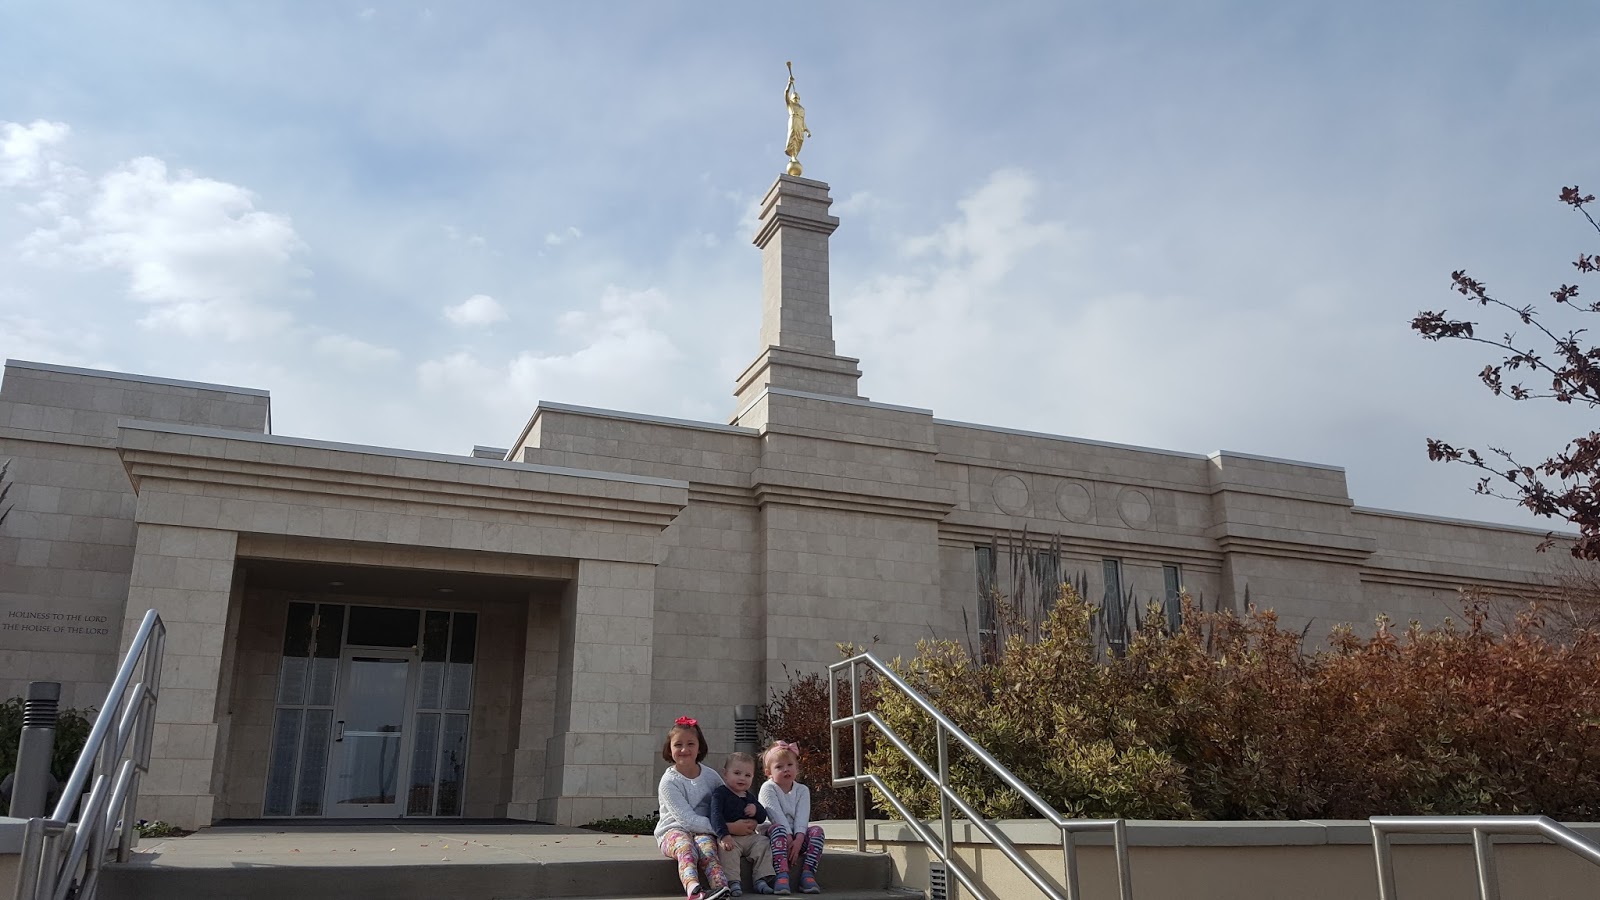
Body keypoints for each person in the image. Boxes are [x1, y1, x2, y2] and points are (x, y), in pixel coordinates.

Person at [655, 716, 745, 900]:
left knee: (708, 848)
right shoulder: (669, 782)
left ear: (699, 747)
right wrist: (727, 828)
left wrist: (752, 818)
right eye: (678, 744)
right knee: (686, 847)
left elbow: (729, 801)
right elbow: (687, 820)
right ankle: (693, 889)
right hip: (673, 831)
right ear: (669, 748)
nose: (684, 749)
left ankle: (721, 889)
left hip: (703, 831)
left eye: (690, 744)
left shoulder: (710, 776)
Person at [758, 740, 825, 894]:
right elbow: (775, 815)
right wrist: (789, 838)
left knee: (817, 831)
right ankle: (781, 874)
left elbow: (802, 817)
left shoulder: (802, 790)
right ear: (769, 772)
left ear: (797, 767)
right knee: (779, 829)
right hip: (775, 838)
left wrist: (799, 839)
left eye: (790, 765)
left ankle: (807, 874)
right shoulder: (768, 788)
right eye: (779, 767)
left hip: (796, 839)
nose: (786, 770)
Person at [709, 751, 776, 895]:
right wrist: (723, 835)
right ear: (725, 774)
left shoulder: (749, 796)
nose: (742, 778)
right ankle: (733, 882)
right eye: (737, 773)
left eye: (747, 775)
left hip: (750, 837)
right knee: (727, 850)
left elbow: (763, 816)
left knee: (763, 843)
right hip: (731, 837)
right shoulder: (720, 794)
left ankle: (761, 879)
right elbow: (715, 815)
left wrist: (756, 810)